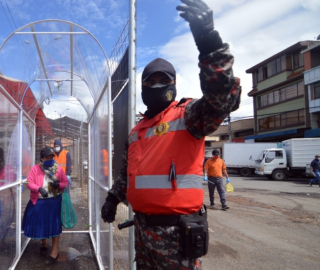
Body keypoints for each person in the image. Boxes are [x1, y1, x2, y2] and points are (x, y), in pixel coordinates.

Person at [100, 0, 241, 268]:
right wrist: (112, 198)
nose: (156, 85)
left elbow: (221, 97)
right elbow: (128, 172)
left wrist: (210, 43)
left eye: (163, 80)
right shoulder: (136, 131)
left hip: (177, 235)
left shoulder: (188, 117)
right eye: (150, 82)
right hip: (143, 232)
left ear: (173, 85)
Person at [22, 146, 69, 265]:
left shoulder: (58, 169)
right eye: (47, 157)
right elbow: (29, 183)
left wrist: (58, 186)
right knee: (42, 223)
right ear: (42, 158)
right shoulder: (35, 169)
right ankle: (44, 243)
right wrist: (39, 189)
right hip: (40, 200)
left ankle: (55, 250)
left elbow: (65, 183)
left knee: (55, 225)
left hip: (54, 201)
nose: (50, 159)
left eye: (51, 157)